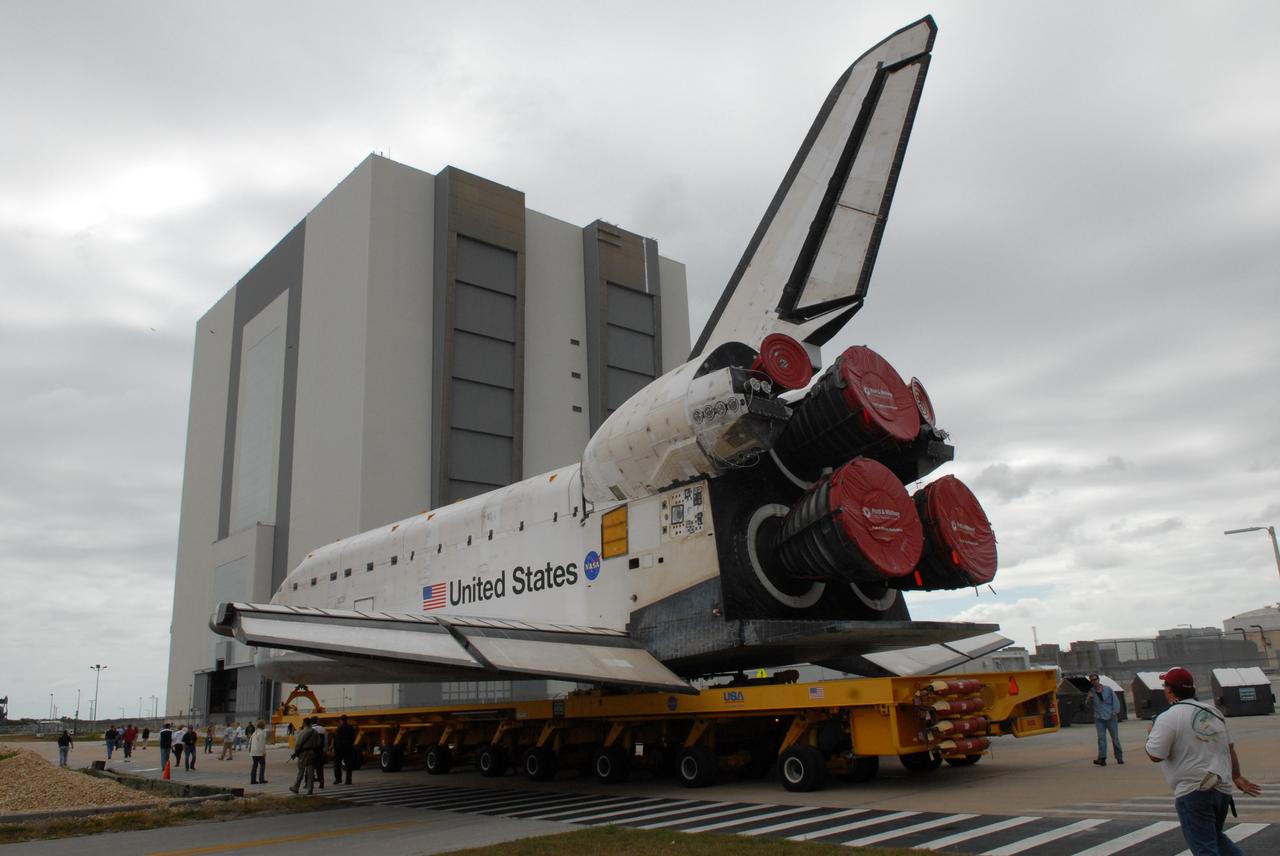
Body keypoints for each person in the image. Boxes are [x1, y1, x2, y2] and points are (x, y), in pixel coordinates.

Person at [1146, 667, 1261, 855]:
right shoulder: (1213, 712)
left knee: (1205, 848)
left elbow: (1155, 755)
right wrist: (1237, 776)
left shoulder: (1167, 717)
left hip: (1193, 791)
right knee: (1215, 838)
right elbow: (1229, 748)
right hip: (1221, 789)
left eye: (1165, 684)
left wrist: (1151, 735)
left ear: (1169, 689)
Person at [1085, 673, 1123, 765]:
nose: (1094, 681)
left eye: (1095, 679)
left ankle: (1119, 757)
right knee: (1101, 738)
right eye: (1092, 680)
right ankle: (1102, 758)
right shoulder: (1091, 692)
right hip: (1099, 718)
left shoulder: (1108, 689)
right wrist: (1089, 699)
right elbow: (1087, 706)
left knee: (1115, 738)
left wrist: (1114, 712)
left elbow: (1116, 702)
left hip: (1111, 717)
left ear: (1098, 680)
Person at [289, 717, 321, 794]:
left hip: (303, 753)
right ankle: (310, 789)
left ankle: (296, 787)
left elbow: (298, 744)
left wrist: (296, 753)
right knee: (310, 771)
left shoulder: (303, 732)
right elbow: (318, 743)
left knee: (301, 771)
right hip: (312, 753)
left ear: (304, 723)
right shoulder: (315, 732)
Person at [332, 714, 357, 785]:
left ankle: (338, 779)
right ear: (347, 720)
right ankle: (348, 780)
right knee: (348, 764)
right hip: (348, 748)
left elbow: (336, 739)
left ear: (340, 720)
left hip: (339, 749)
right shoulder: (350, 727)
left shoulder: (339, 728)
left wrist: (335, 748)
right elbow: (353, 737)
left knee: (337, 764)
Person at [309, 718, 327, 790]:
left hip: (312, 751)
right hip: (320, 751)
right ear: (317, 721)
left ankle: (309, 784)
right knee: (320, 768)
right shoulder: (323, 729)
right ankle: (321, 782)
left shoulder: (310, 729)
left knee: (311, 768)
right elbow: (325, 741)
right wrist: (325, 751)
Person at [249, 720, 268, 785]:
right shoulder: (262, 733)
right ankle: (261, 779)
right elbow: (261, 743)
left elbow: (250, 742)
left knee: (255, 765)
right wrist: (263, 752)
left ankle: (253, 780)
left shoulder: (254, 733)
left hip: (253, 752)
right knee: (262, 765)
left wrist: (250, 751)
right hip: (259, 752)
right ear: (263, 725)